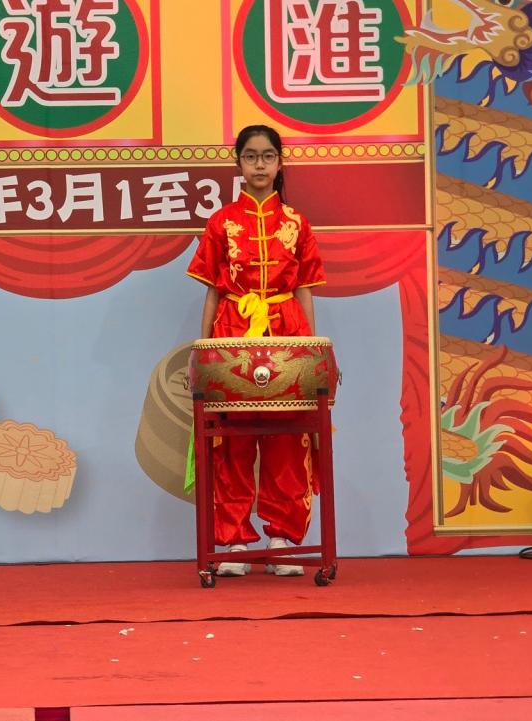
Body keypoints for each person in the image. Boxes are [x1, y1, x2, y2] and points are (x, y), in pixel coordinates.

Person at [186, 125, 326, 577]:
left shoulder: (297, 223)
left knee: (287, 438)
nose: (260, 165)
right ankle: (232, 541)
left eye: (268, 156)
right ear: (239, 164)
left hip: (286, 331)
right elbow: (212, 290)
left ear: (280, 162)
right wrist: (203, 351)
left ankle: (281, 538)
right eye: (251, 156)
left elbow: (304, 289)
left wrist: (312, 351)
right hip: (233, 333)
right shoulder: (221, 222)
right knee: (231, 440)